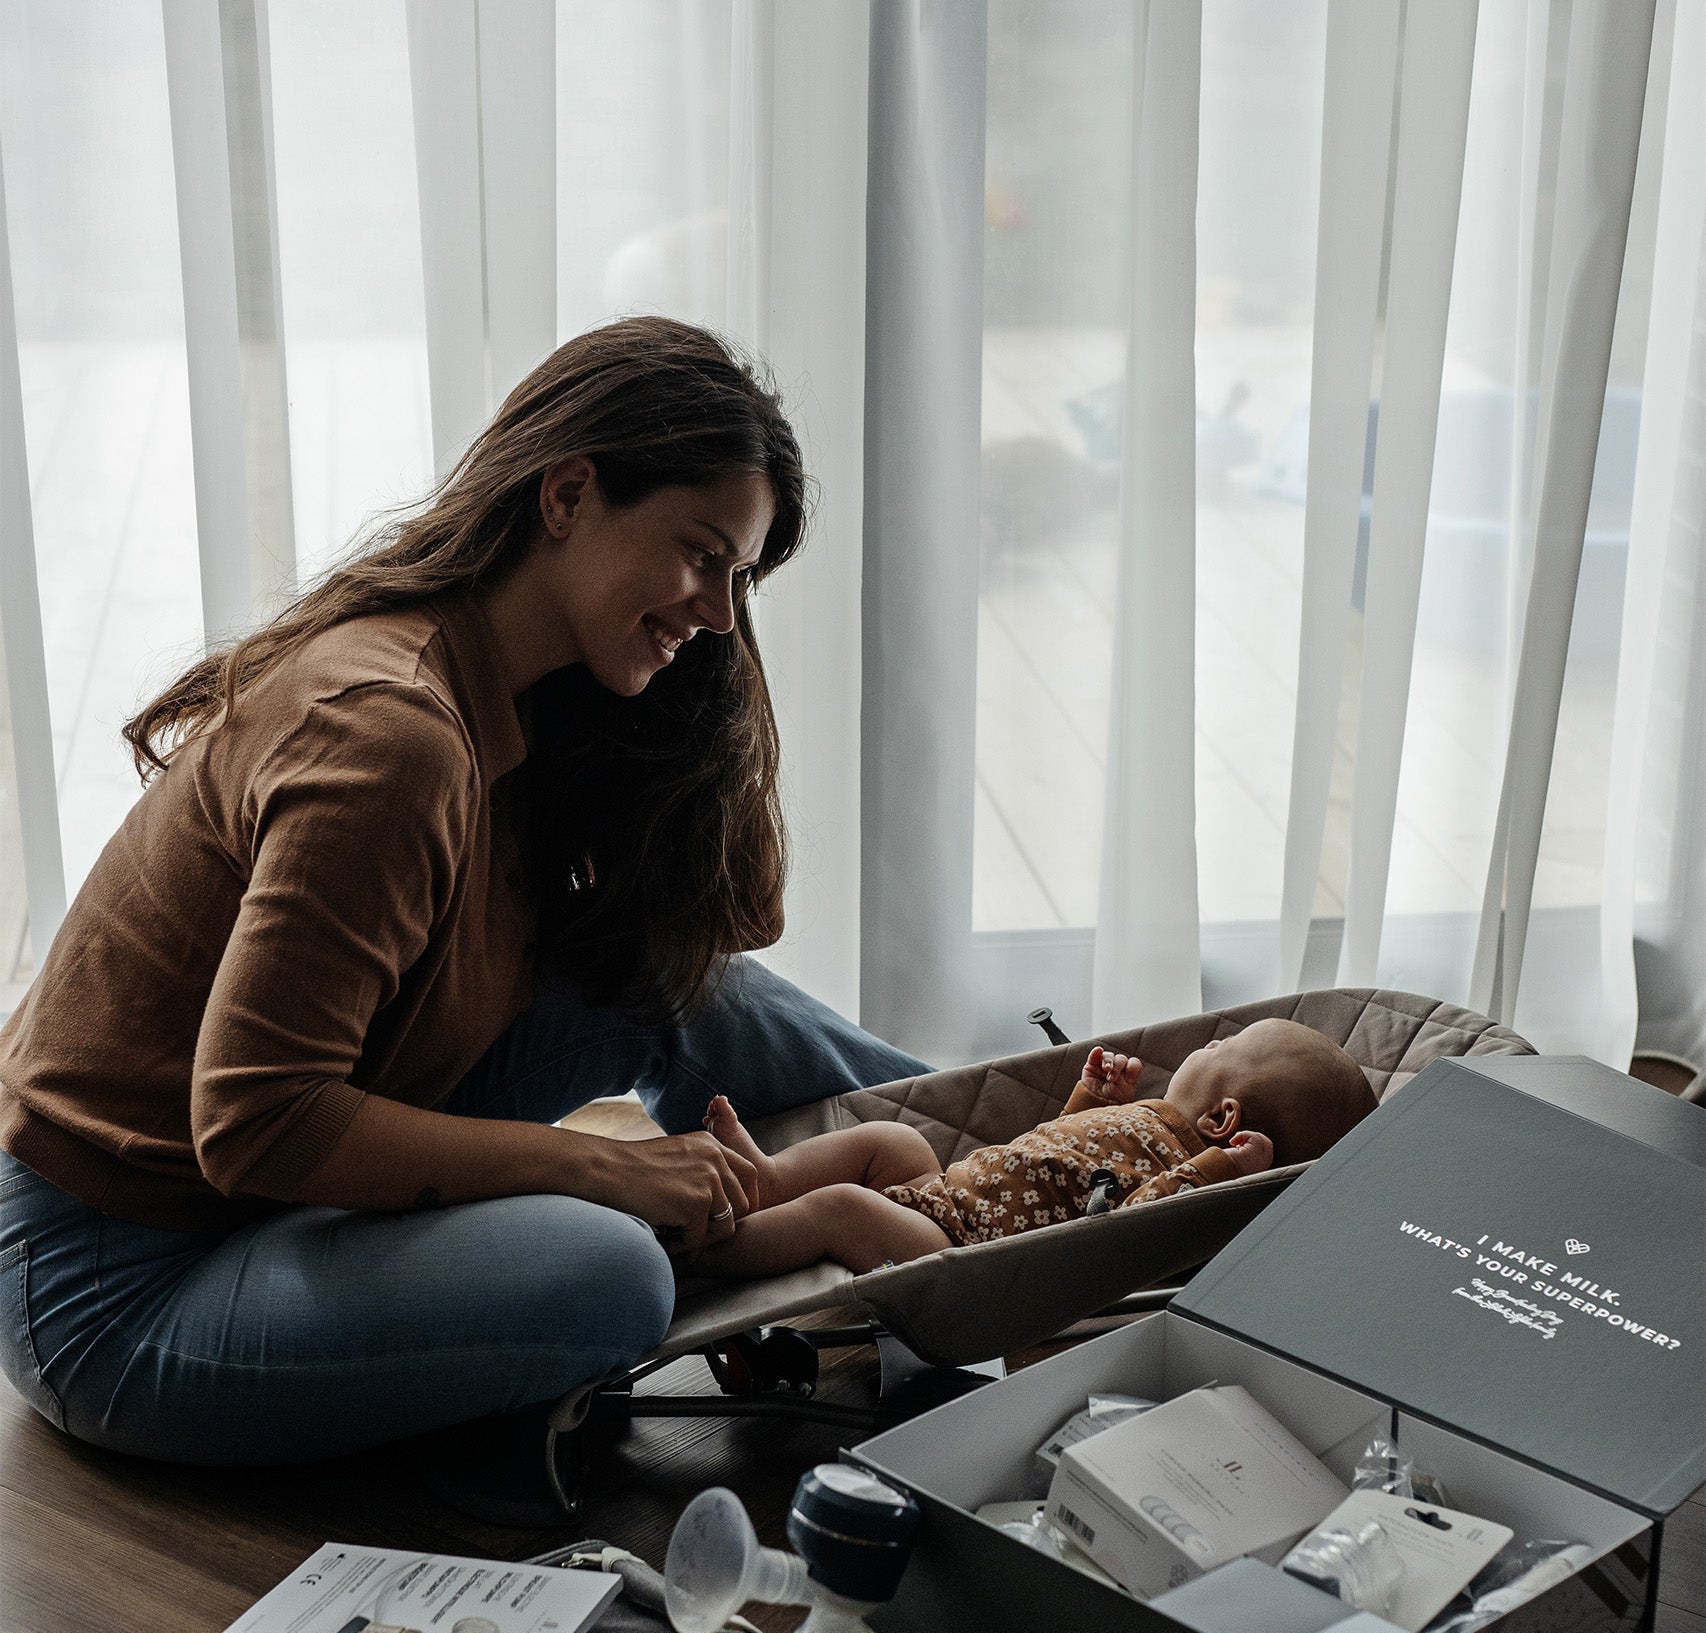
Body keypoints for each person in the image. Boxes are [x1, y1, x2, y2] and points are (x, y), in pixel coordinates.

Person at [0, 318, 927, 1489]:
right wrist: (604, 1169)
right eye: (701, 556)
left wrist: (697, 688)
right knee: (611, 1274)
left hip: (268, 1184)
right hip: (119, 1281)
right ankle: (773, 1226)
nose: (720, 615)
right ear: (568, 493)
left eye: (738, 576)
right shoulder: (387, 732)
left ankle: (1033, 1158)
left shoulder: (524, 685)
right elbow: (253, 1123)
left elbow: (732, 918)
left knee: (674, 984)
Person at [691, 1018, 1378, 1278]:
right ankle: (767, 1178)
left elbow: (1130, 1224)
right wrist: (1087, 1102)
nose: (1209, 1040)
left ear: (1225, 1119)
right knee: (893, 1139)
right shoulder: (1148, 1117)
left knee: (843, 1206)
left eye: (1221, 1046)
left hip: (963, 1250)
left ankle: (713, 1250)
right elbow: (1055, 1157)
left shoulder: (1183, 1174)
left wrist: (1214, 1172)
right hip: (951, 1190)